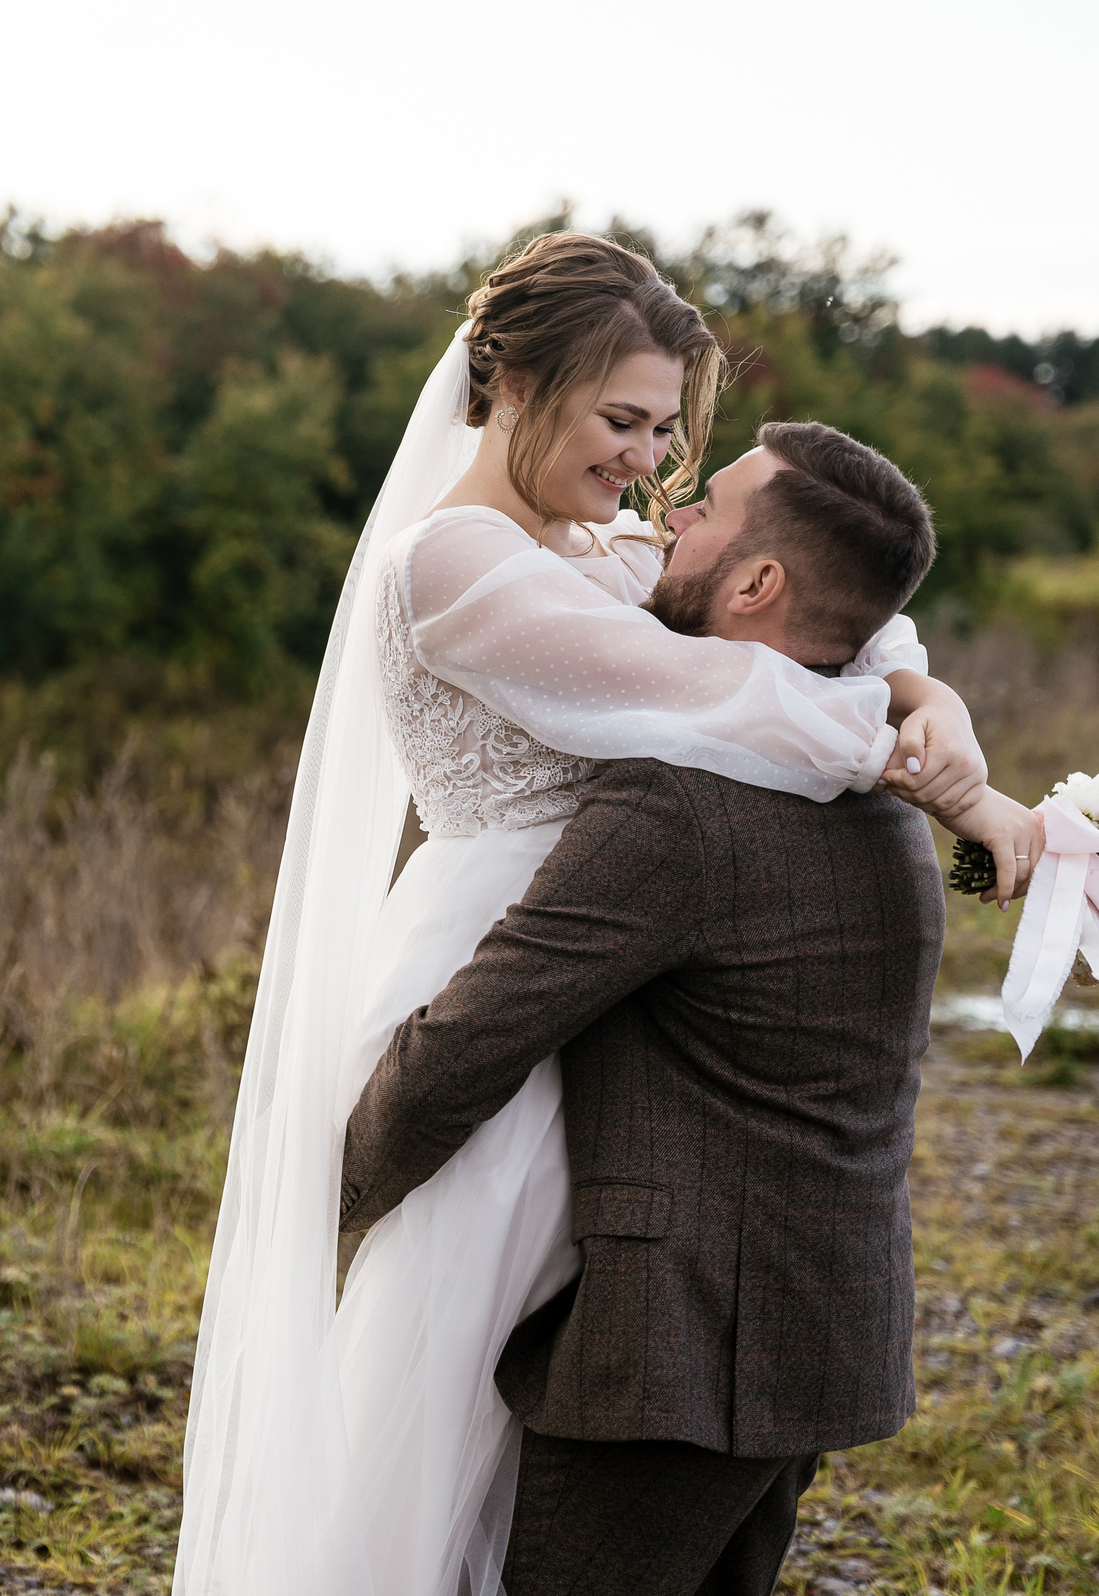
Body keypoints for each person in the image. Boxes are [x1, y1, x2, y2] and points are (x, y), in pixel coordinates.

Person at [174, 233, 1039, 1596]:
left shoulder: (599, 547)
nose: (649, 462)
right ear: (516, 385)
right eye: (622, 421)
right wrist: (944, 779)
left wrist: (938, 702)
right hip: (502, 946)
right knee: (449, 1371)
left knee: (561, 1339)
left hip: (619, 966)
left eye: (663, 429)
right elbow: (717, 690)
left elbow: (832, 619)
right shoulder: (455, 563)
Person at [338, 419, 1004, 1596]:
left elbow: (465, 1048)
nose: (669, 513)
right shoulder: (884, 793)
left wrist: (313, 1213)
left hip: (681, 1358)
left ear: (755, 585)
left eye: (707, 510)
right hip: (820, 1337)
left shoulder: (679, 810)